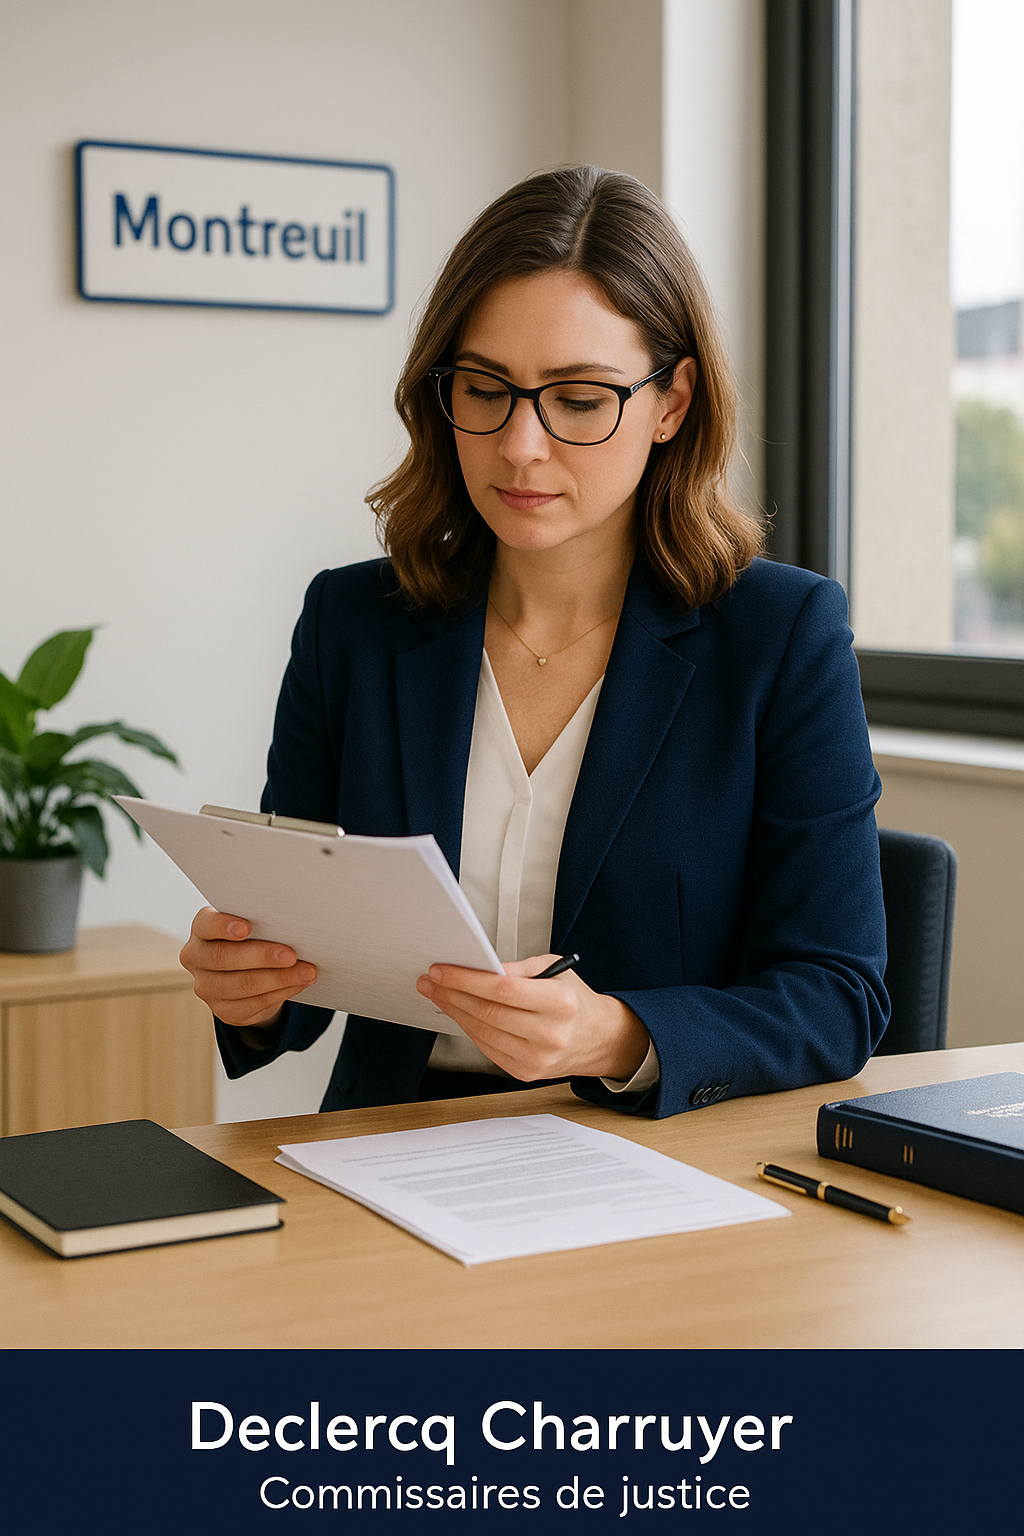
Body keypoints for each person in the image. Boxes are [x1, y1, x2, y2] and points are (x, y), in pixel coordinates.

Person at [180, 165, 888, 1120]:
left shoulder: (781, 638)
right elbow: (299, 980)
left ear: (672, 402)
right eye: (486, 389)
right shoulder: (351, 626)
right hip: (393, 1140)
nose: (521, 446)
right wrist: (250, 990)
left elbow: (841, 996)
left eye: (580, 400)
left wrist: (621, 1035)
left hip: (654, 1155)